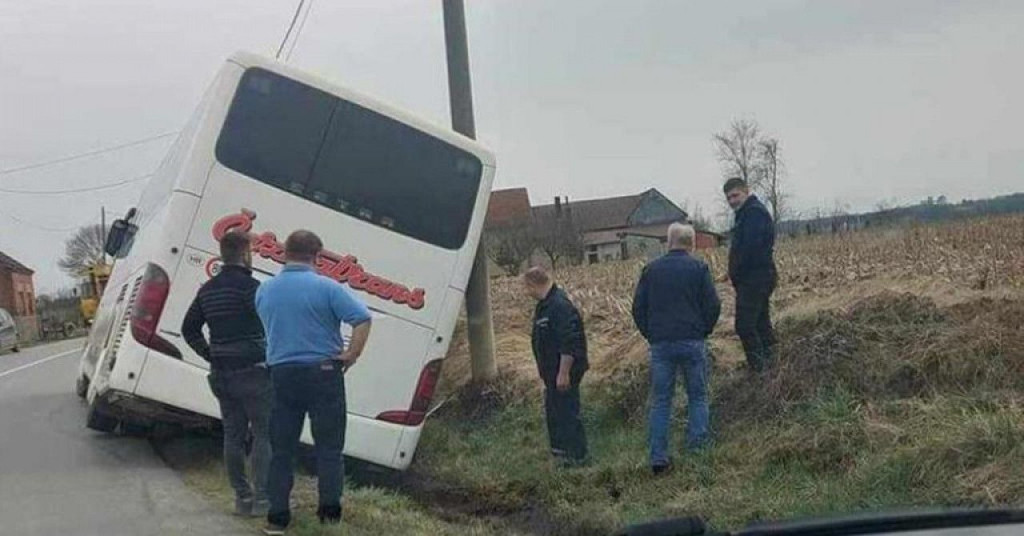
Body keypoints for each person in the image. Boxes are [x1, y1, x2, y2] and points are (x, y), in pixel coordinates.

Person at [255, 230, 372, 535]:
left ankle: (277, 518)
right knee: (329, 448)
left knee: (282, 448)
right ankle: (329, 516)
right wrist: (351, 354)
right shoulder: (327, 288)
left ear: (284, 252)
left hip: (282, 374)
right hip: (323, 373)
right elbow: (362, 318)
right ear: (317, 256)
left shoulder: (265, 291)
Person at [181, 231, 271, 517]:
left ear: (222, 254)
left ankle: (242, 498)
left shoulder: (207, 290)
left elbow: (189, 328)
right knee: (263, 435)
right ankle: (263, 500)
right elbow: (270, 324)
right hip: (254, 372)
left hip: (222, 374)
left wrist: (209, 353)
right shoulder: (252, 289)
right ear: (245, 254)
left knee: (232, 436)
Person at [632, 223, 721, 474]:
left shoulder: (651, 270)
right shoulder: (699, 268)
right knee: (698, 396)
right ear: (691, 244)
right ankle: (698, 450)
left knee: (661, 401)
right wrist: (704, 330)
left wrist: (651, 334)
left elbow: (638, 308)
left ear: (669, 242)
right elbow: (713, 305)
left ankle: (658, 457)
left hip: (661, 344)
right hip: (692, 341)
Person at [524, 266, 589, 467]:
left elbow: (569, 341)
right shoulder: (545, 305)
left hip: (563, 371)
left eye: (527, 287)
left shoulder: (559, 306)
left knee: (567, 413)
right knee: (555, 412)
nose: (527, 292)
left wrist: (563, 373)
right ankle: (561, 455)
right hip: (552, 372)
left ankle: (577, 457)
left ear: (533, 284)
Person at [723, 177, 778, 372]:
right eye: (728, 198)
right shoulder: (746, 214)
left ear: (746, 191)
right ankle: (772, 365)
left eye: (735, 195)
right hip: (756, 277)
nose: (732, 201)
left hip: (755, 278)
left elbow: (750, 249)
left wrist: (738, 270)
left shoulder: (754, 214)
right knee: (761, 323)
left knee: (744, 325)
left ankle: (759, 371)